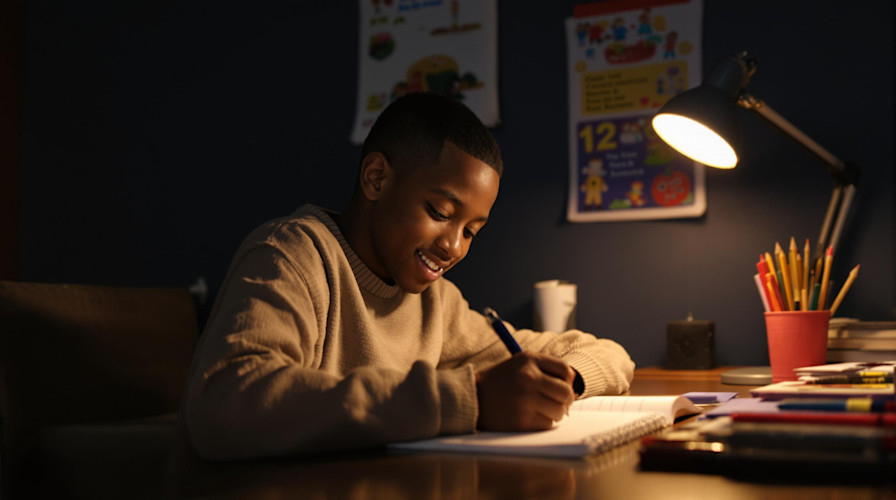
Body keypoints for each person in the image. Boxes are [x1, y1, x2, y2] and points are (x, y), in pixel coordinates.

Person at [182, 92, 634, 460]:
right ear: (377, 178)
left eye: (472, 232)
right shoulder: (292, 256)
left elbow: (610, 355)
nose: (454, 247)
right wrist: (465, 399)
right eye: (440, 212)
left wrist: (560, 382)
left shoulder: (436, 302)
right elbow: (229, 400)